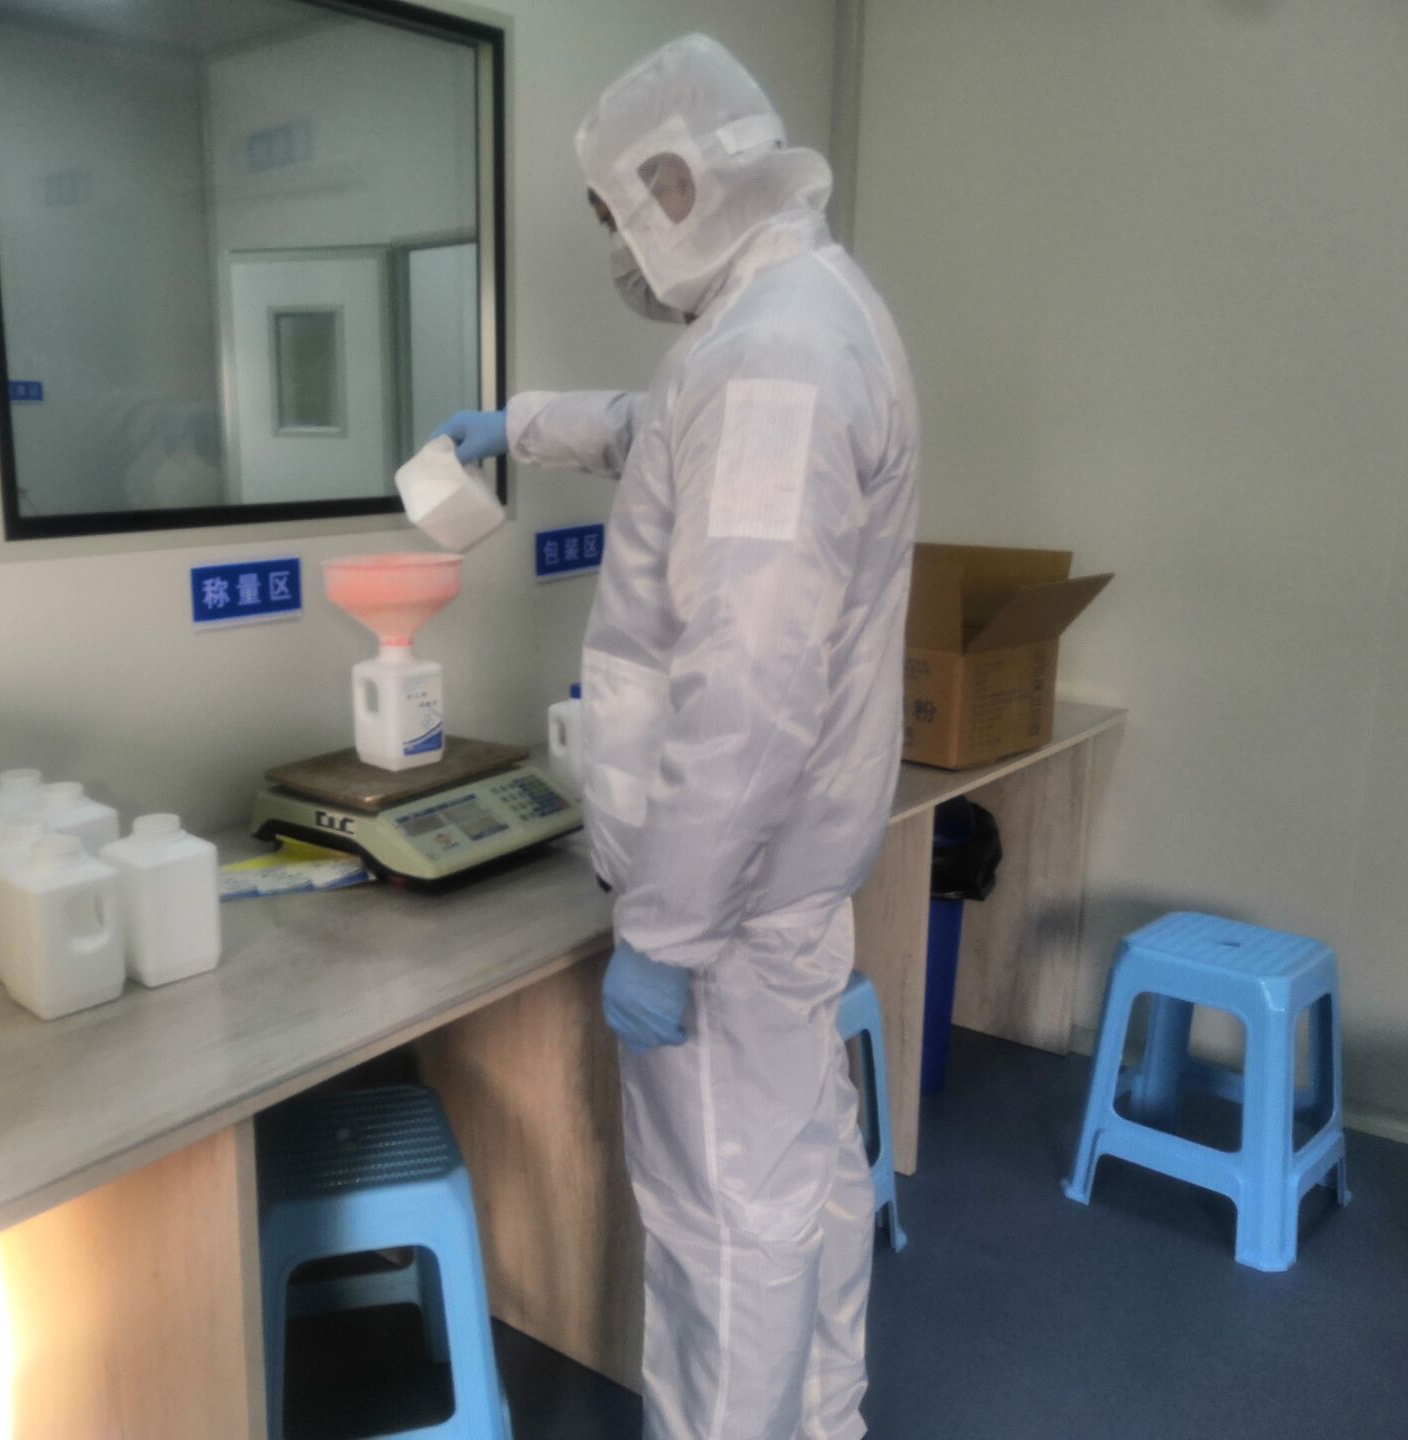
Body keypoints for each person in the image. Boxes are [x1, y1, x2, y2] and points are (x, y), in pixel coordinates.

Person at [435, 34, 919, 1440]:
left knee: (724, 1216)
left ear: (675, 184)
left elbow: (749, 687)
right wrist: (521, 425)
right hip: (788, 878)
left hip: (732, 899)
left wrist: (666, 930)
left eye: (614, 215)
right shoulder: (795, 312)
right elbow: (666, 425)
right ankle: (820, 1418)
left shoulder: (774, 360)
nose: (617, 250)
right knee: (804, 1168)